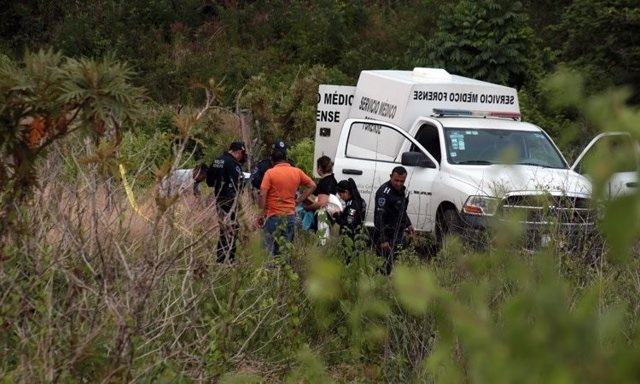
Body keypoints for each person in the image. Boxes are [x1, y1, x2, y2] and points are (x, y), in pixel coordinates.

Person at [260, 146, 316, 257]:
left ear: (272, 161)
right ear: (286, 159)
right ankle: (284, 272)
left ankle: (271, 273)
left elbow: (262, 194)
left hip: (273, 216)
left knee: (268, 250)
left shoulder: (270, 173)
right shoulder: (297, 172)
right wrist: (298, 200)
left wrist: (262, 212)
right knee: (285, 251)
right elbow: (312, 185)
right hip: (290, 216)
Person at [206, 141, 246, 263]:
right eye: (242, 154)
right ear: (239, 152)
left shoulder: (217, 160)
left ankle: (221, 258)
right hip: (230, 200)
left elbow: (209, 182)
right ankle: (228, 259)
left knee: (223, 228)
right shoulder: (233, 163)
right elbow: (239, 183)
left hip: (219, 199)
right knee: (232, 228)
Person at [373, 166, 415, 275]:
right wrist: (383, 240)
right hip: (386, 235)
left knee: (393, 262)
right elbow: (379, 218)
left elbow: (401, 210)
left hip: (397, 233)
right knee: (383, 266)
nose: (398, 184)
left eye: (402, 181)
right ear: (391, 177)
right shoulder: (384, 193)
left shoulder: (401, 191)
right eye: (396, 180)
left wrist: (408, 224)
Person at [333, 178, 367, 262]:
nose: (341, 198)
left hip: (351, 239)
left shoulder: (353, 204)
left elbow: (348, 225)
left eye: (340, 195)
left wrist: (336, 215)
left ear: (346, 192)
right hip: (355, 237)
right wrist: (342, 214)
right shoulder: (356, 201)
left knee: (349, 260)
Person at [303, 156, 338, 233]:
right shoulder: (332, 179)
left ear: (319, 168)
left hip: (322, 216)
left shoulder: (325, 182)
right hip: (329, 215)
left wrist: (307, 207)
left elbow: (322, 203)